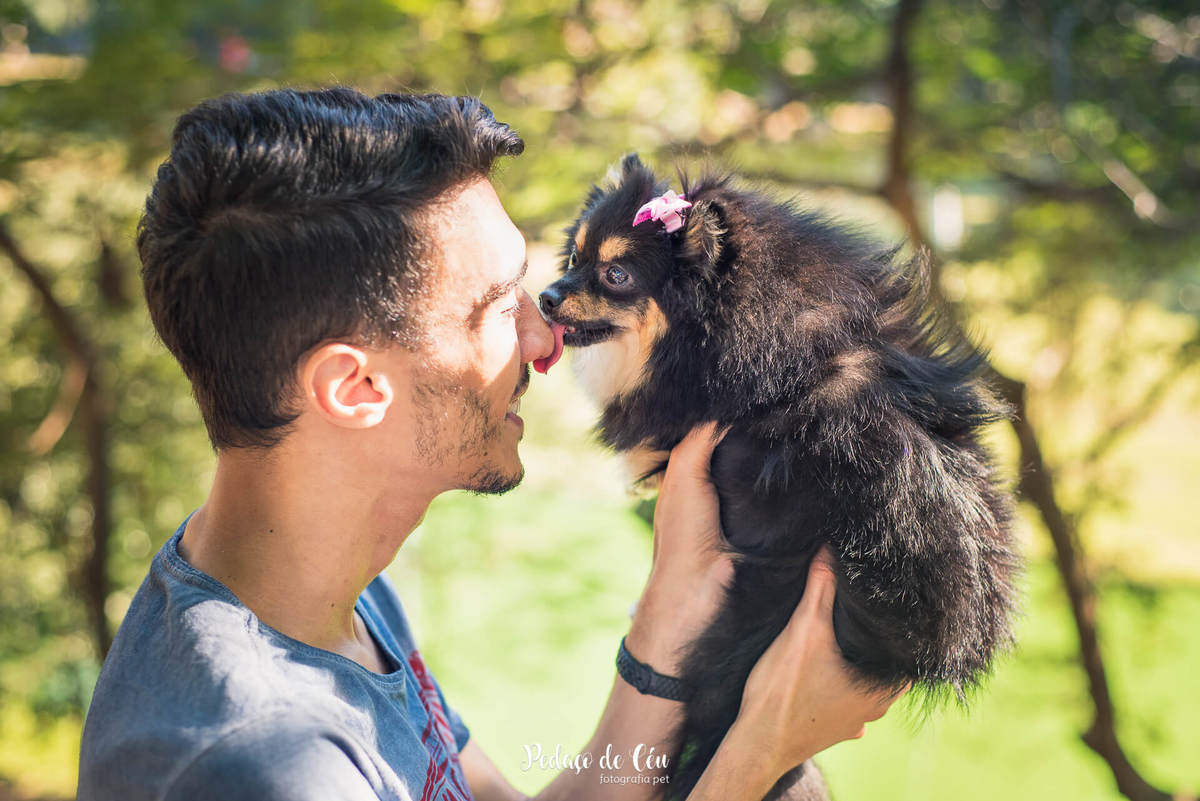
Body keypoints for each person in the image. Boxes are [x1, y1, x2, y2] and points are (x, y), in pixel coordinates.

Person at [77, 88, 906, 801]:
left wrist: (669, 613)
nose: (547, 337)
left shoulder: (327, 591)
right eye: (496, 308)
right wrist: (756, 756)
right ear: (354, 387)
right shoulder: (257, 762)